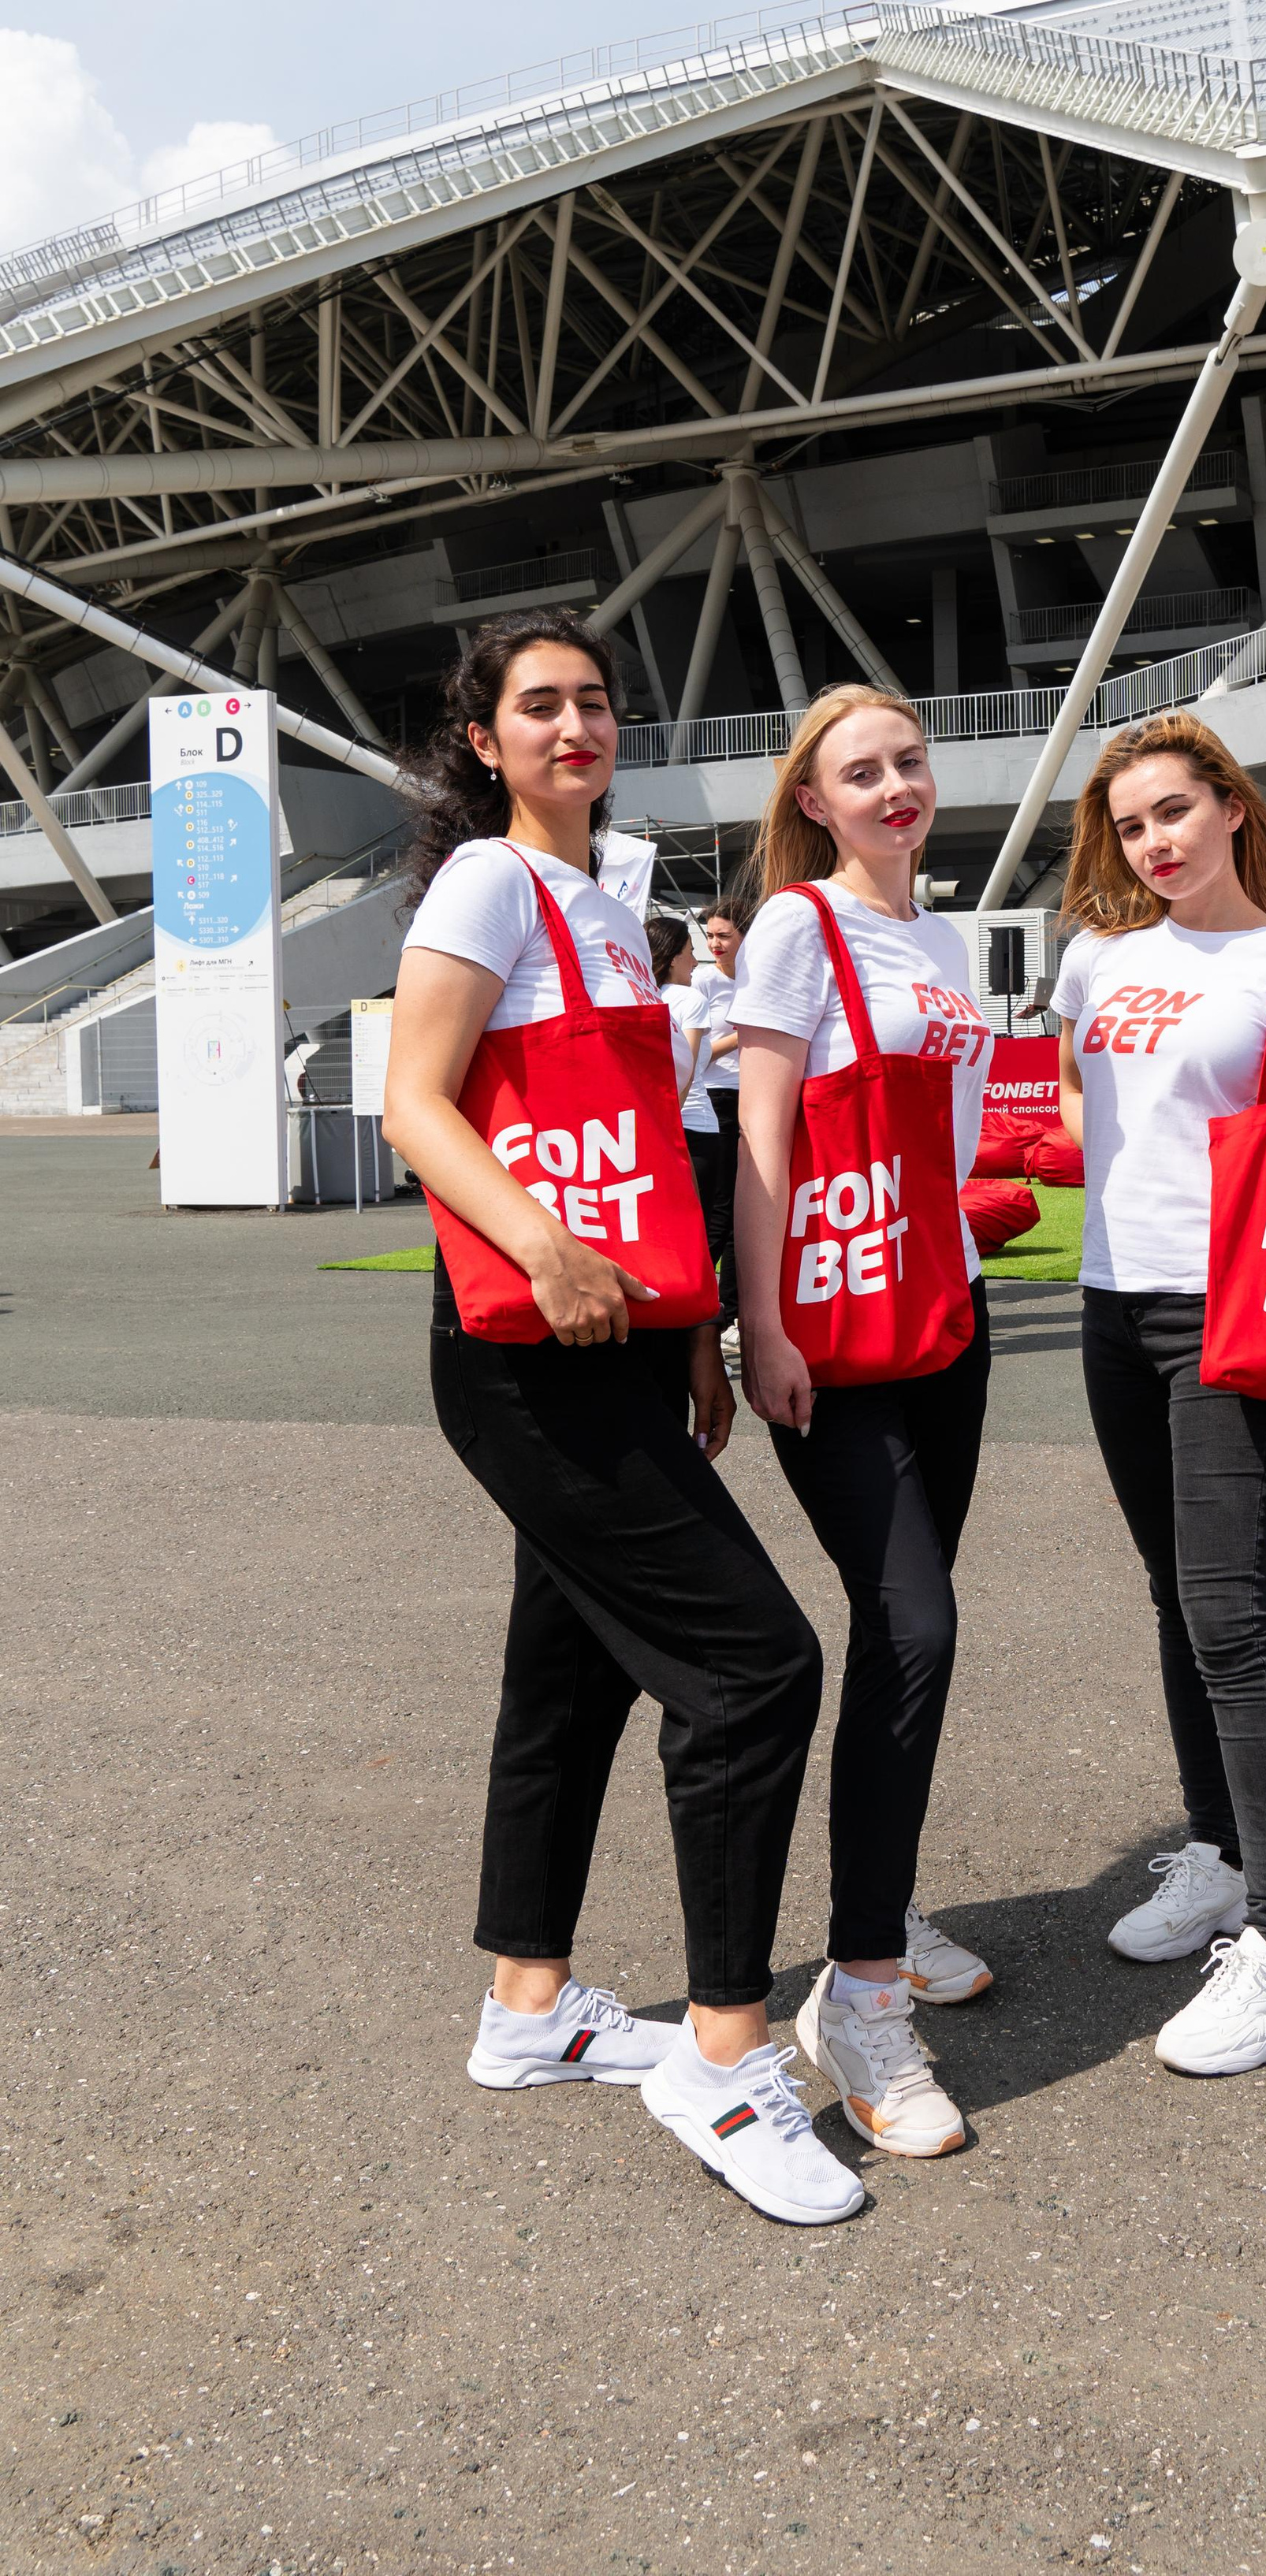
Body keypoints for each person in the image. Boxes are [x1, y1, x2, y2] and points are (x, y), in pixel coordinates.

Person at [382, 609, 862, 2228]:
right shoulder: (486, 885)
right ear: (485, 742)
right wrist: (540, 1245)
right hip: (523, 1341)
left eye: (594, 700)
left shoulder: (609, 903)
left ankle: (528, 2010)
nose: (573, 724)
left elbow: (646, 1139)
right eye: (539, 706)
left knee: (569, 1673)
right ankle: (722, 2061)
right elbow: (413, 1101)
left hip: (618, 1337)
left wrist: (700, 1335)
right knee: (754, 1670)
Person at [1053, 710, 1266, 2080]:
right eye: (1132, 825)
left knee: (1227, 1616)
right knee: (1168, 1593)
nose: (1155, 842)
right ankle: (1215, 1851)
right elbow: (1089, 1115)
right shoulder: (1098, 957)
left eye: (1177, 813)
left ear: (1232, 809)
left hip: (1228, 1313)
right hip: (1109, 1305)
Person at [732, 682, 996, 2161]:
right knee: (916, 1626)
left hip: (941, 1322)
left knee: (908, 1630)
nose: (895, 786)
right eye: (860, 772)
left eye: (908, 761)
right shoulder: (797, 926)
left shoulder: (941, 941)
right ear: (815, 802)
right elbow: (765, 1130)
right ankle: (863, 1998)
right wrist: (758, 1321)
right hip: (833, 1329)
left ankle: (878, 1911)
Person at [691, 895, 750, 1353]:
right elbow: (699, 1053)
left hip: (754, 1097)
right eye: (709, 935)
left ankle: (726, 1310)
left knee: (741, 1210)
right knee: (722, 1210)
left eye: (723, 935)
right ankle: (713, 1308)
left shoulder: (757, 978)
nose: (714, 943)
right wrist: (743, 1034)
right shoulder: (700, 981)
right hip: (713, 1100)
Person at [652, 911, 721, 1225]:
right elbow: (686, 1070)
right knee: (702, 1229)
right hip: (692, 1127)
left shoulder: (638, 995)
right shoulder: (690, 999)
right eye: (691, 952)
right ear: (672, 957)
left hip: (651, 1125)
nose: (695, 961)